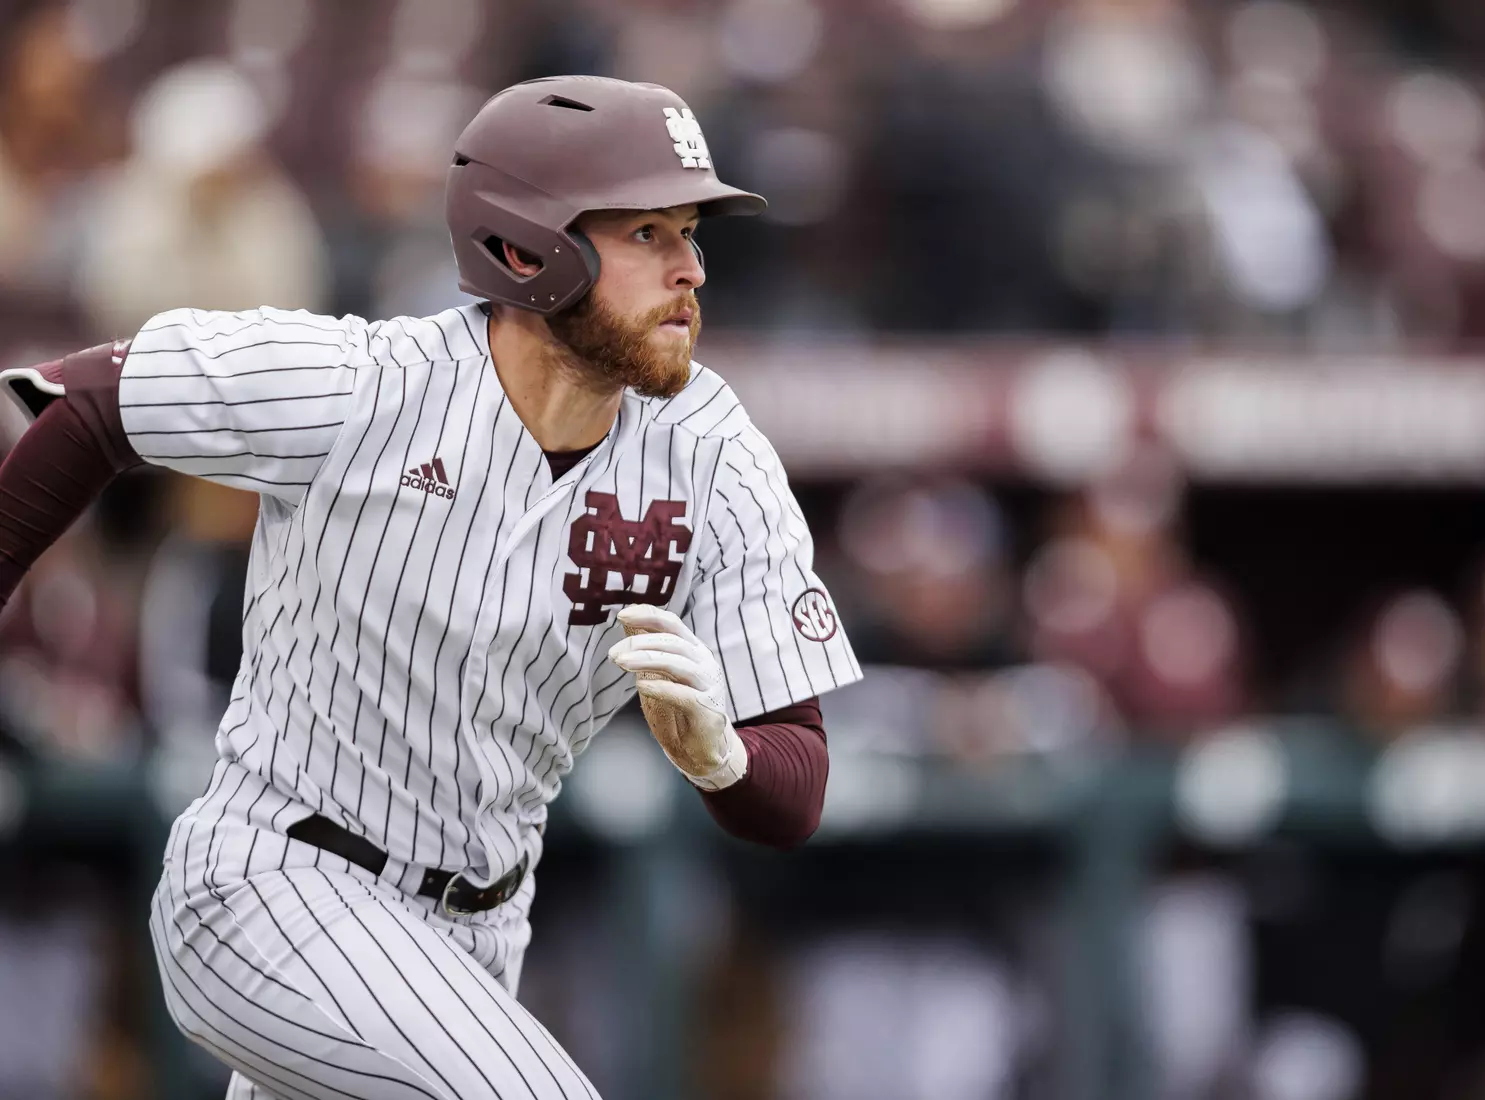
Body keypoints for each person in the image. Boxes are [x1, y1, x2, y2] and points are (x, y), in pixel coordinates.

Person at [0, 75, 861, 1099]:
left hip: (479, 936)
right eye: (646, 232)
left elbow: (795, 779)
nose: (691, 268)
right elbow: (80, 403)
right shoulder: (368, 381)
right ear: (525, 248)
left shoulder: (714, 452)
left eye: (690, 232)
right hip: (274, 882)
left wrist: (722, 758)